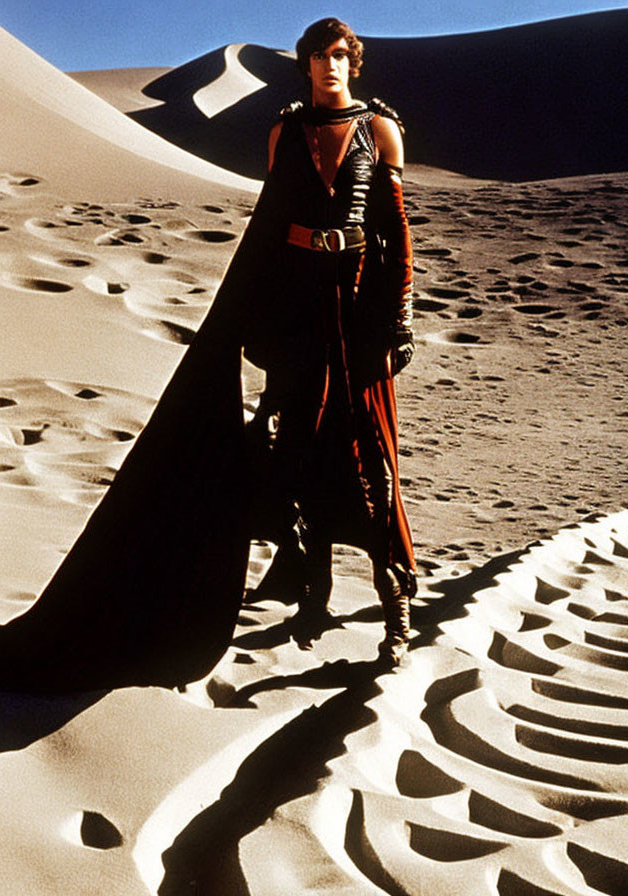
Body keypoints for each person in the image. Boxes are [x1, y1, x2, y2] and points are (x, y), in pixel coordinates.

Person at [235, 17, 418, 665]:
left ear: (354, 62)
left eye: (342, 54)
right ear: (305, 63)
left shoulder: (380, 128)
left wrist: (398, 317)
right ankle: (314, 587)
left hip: (360, 308)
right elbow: (269, 228)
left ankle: (393, 602)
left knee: (369, 448)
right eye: (321, 54)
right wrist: (254, 316)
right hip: (300, 312)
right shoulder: (284, 131)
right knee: (302, 444)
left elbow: (396, 235)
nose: (332, 64)